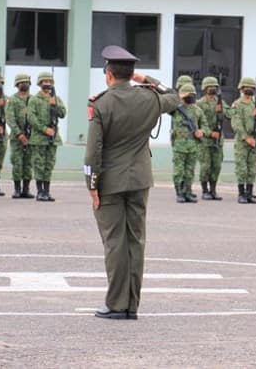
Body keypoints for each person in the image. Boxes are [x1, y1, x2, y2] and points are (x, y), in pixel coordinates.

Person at [85, 45, 180, 320]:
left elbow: (93, 150)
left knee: (115, 241)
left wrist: (91, 184)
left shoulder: (100, 103)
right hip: (139, 179)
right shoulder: (149, 99)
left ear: (108, 74)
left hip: (109, 183)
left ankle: (116, 304)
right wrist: (146, 81)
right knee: (135, 241)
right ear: (131, 73)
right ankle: (131, 305)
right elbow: (174, 97)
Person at [28, 71, 66, 202]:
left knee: (49, 164)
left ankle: (47, 191)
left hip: (53, 138)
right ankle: (40, 191)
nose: (47, 84)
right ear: (40, 83)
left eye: (49, 82)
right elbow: (31, 118)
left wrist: (55, 105)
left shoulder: (56, 98)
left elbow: (63, 114)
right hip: (39, 138)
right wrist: (45, 129)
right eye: (45, 82)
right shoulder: (34, 99)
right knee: (39, 165)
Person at [171, 83, 206, 203]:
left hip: (193, 145)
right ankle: (179, 192)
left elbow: (204, 126)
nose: (190, 96)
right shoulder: (175, 109)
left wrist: (201, 132)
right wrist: (178, 98)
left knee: (190, 170)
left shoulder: (198, 111)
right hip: (180, 145)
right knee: (179, 170)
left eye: (192, 94)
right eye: (188, 94)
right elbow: (166, 105)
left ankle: (188, 192)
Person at [231, 77, 256, 203]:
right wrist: (246, 137)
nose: (249, 90)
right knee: (242, 168)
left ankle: (249, 192)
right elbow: (236, 123)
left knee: (252, 167)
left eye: (252, 88)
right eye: (247, 87)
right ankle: (241, 193)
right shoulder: (237, 104)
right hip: (243, 141)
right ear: (242, 89)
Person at [196, 76, 227, 200]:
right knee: (206, 166)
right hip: (205, 141)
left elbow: (230, 113)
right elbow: (199, 122)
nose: (212, 89)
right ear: (205, 88)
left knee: (216, 166)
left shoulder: (220, 102)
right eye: (210, 87)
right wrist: (209, 133)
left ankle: (213, 190)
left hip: (218, 140)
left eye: (214, 87)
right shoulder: (199, 103)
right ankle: (205, 190)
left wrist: (224, 110)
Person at [7, 73, 34, 199]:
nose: (24, 84)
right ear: (17, 85)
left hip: (31, 136)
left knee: (28, 164)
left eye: (26, 82)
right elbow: (10, 118)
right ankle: (17, 189)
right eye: (21, 82)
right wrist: (19, 133)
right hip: (17, 138)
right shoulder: (13, 100)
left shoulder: (33, 99)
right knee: (17, 163)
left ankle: (26, 189)